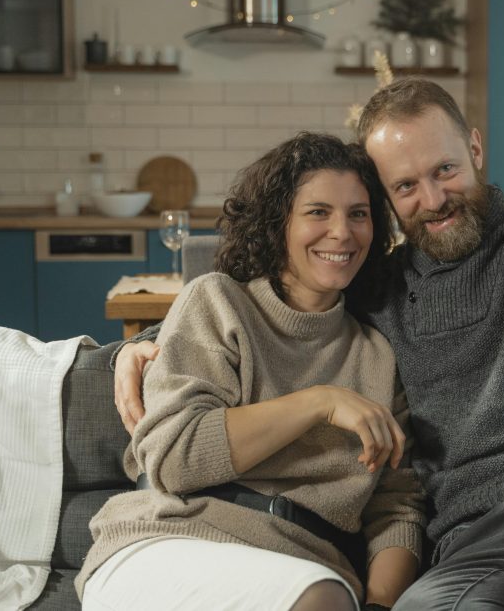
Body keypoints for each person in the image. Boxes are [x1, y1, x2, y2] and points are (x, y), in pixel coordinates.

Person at [114, 80, 504, 611]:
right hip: (477, 552)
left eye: (444, 169)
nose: (433, 198)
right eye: (405, 186)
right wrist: (147, 343)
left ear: (474, 148)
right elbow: (286, 304)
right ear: (387, 199)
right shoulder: (379, 290)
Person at [78, 133, 425, 611]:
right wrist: (318, 403)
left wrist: (381, 605)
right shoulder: (218, 302)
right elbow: (176, 458)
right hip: (167, 540)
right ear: (279, 223)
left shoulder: (377, 358)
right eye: (318, 212)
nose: (342, 232)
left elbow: (396, 507)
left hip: (303, 566)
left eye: (358, 213)